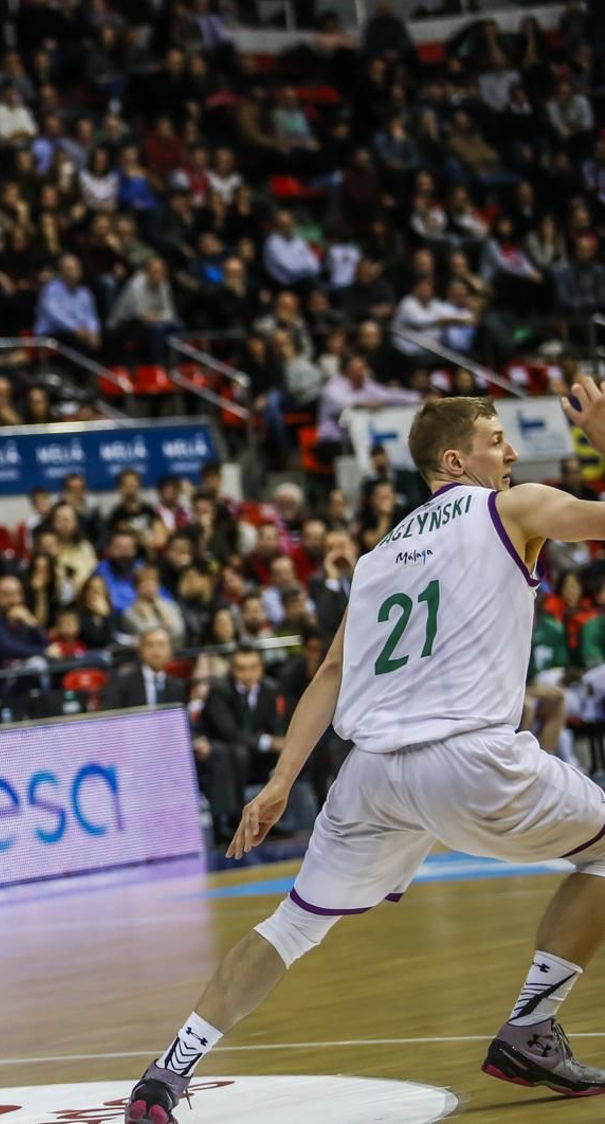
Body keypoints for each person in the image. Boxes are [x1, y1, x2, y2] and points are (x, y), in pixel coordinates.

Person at [127, 392, 605, 1122]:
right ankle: (531, 1027)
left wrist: (279, 781)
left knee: (291, 925)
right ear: (456, 460)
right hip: (470, 759)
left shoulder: (381, 556)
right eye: (497, 441)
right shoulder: (512, 509)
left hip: (372, 774)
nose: (510, 455)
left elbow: (329, 673)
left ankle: (166, 1073)